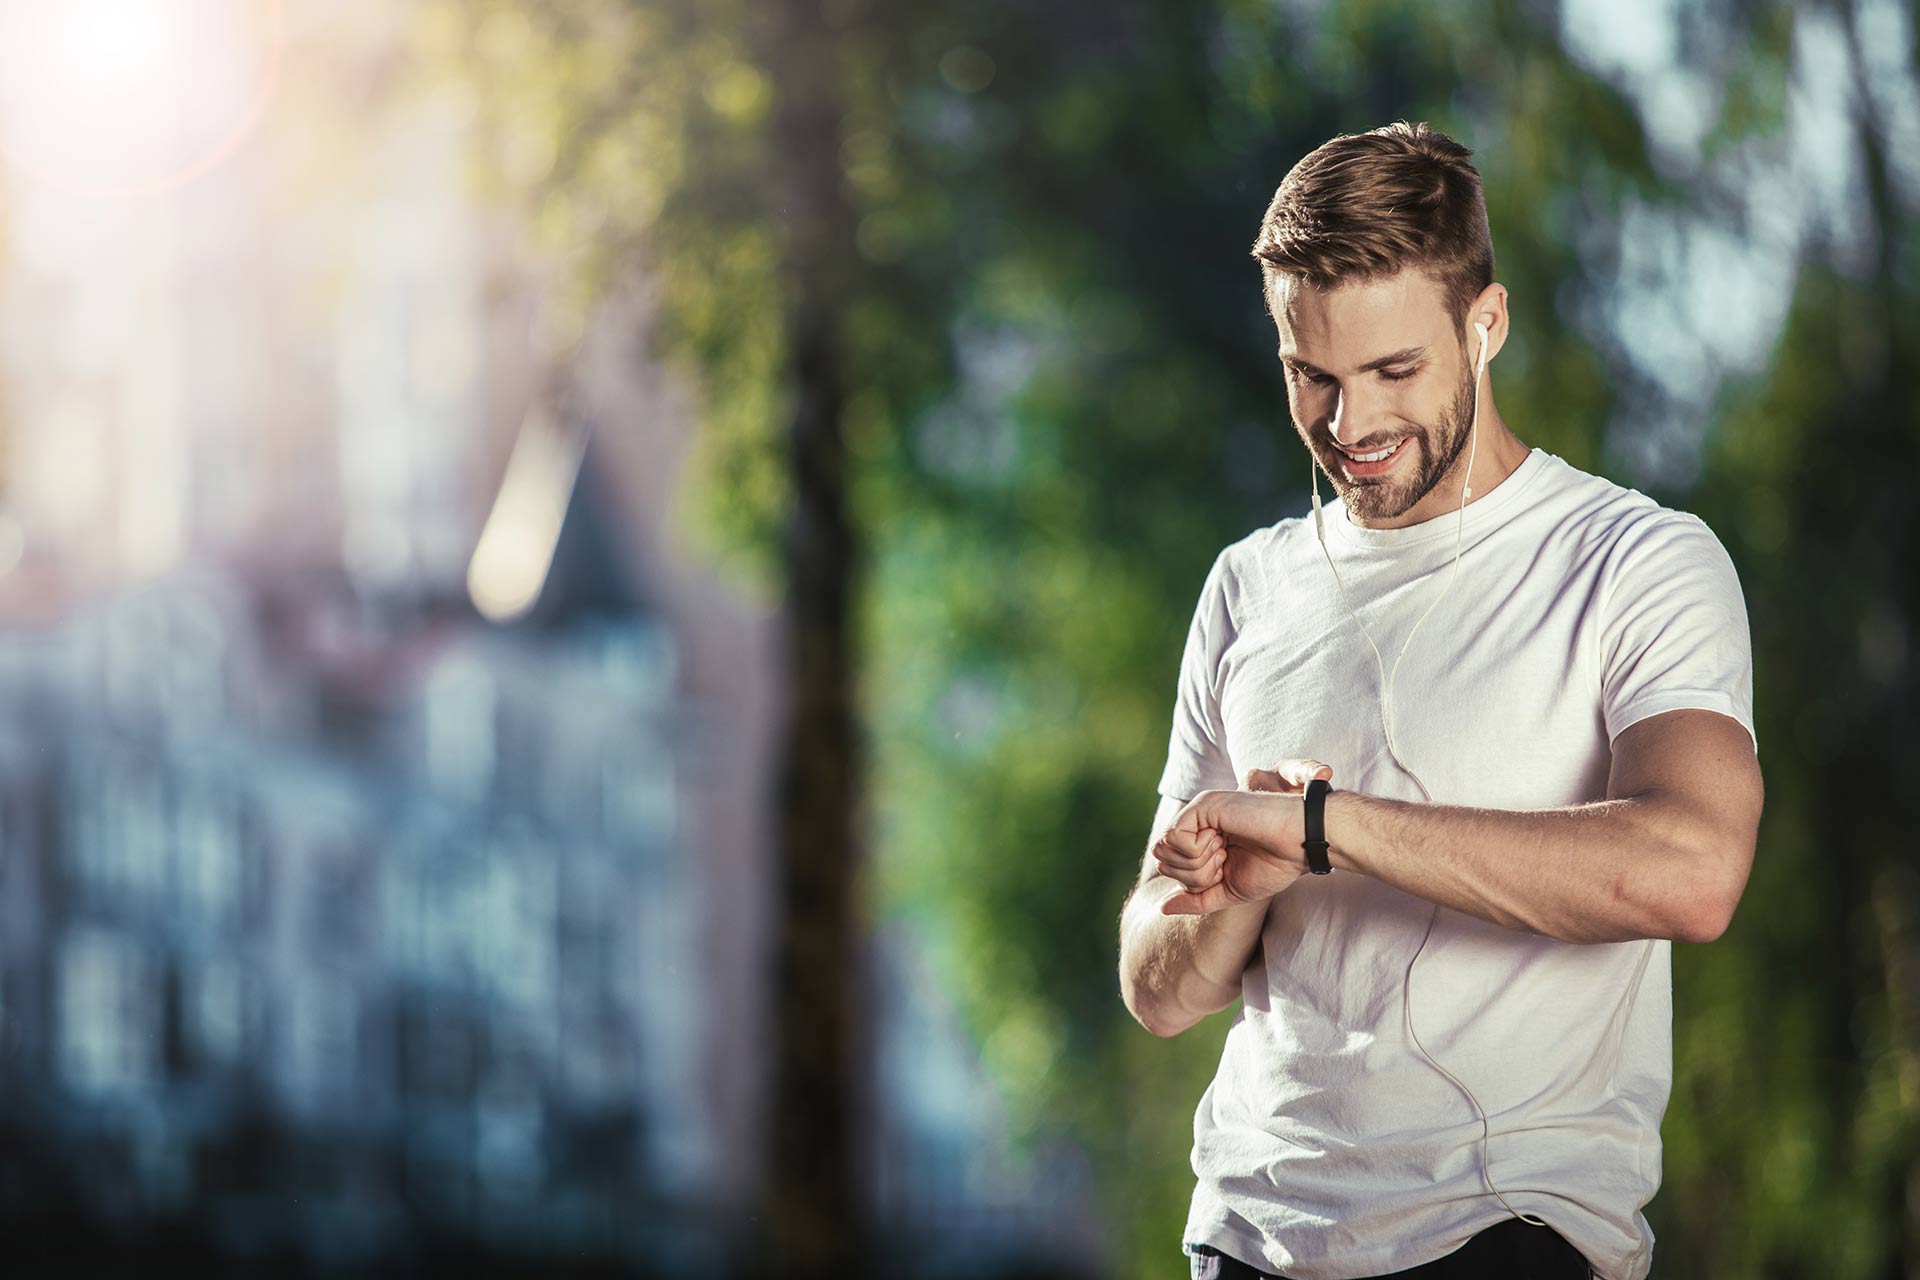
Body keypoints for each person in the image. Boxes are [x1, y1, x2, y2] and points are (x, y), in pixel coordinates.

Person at [1115, 121, 1764, 1280]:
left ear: (1487, 323)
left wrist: (1329, 830)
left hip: (1504, 1235)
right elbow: (1154, 986)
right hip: (1244, 1238)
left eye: (1393, 372)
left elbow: (1695, 867)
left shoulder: (1635, 561)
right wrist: (1238, 893)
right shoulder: (1248, 585)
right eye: (1311, 376)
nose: (1349, 426)